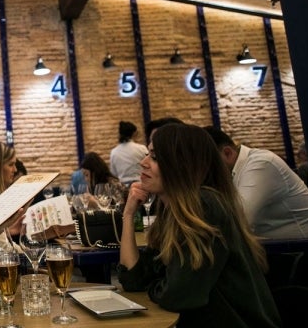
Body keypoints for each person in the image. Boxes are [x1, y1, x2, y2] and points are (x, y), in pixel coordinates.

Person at [117, 123, 281, 327]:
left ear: (182, 164)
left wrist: (154, 285)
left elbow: (178, 296)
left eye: (155, 157)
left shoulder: (204, 205)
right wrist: (128, 215)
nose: (143, 163)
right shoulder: (172, 211)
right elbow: (134, 280)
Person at [204, 126, 308, 239]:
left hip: (304, 250)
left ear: (227, 153)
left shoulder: (261, 163)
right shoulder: (234, 171)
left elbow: (239, 223)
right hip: (283, 250)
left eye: (208, 164)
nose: (206, 171)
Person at [109, 121, 148, 186]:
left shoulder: (114, 152)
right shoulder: (142, 149)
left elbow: (113, 174)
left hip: (123, 187)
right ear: (134, 133)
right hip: (141, 185)